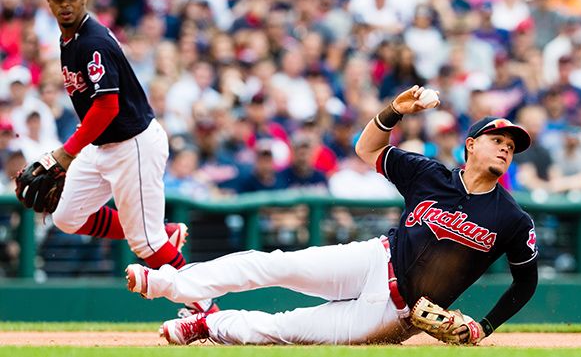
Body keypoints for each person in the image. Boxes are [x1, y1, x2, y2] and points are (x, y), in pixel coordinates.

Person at [124, 85, 538, 346]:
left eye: (511, 145)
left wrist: (484, 325)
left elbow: (526, 282)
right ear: (470, 145)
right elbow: (367, 150)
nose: (505, 147)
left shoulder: (512, 218)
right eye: (496, 139)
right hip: (376, 258)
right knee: (271, 264)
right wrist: (394, 110)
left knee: (284, 329)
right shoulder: (429, 176)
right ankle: (169, 283)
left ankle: (206, 326)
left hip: (394, 313)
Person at [37, 0, 214, 313]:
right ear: (48, 1)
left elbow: (106, 106)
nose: (65, 4)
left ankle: (206, 309)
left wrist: (65, 153)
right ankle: (164, 232)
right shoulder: (68, 38)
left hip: (132, 143)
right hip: (101, 144)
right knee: (67, 217)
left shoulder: (93, 41)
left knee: (146, 244)